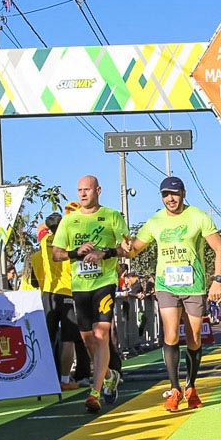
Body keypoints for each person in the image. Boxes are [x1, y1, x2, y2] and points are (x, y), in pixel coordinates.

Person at [124, 176, 221, 411]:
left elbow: (219, 247)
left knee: (195, 337)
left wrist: (217, 281)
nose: (170, 198)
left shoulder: (198, 216)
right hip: (166, 285)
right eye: (165, 194)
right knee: (170, 334)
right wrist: (127, 249)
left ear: (183, 194)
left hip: (194, 286)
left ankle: (191, 386)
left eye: (175, 193)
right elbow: (134, 250)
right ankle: (175, 388)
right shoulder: (156, 221)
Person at [51, 176, 128, 414]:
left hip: (104, 282)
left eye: (87, 190)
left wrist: (104, 253)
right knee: (87, 339)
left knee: (101, 334)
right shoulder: (69, 220)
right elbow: (56, 254)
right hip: (80, 285)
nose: (83, 194)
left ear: (98, 190)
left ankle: (94, 393)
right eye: (79, 190)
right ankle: (109, 376)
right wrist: (76, 252)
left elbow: (128, 248)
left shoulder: (112, 216)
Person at [32, 212, 80, 391]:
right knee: (68, 339)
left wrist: (50, 225)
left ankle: (44, 379)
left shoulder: (45, 242)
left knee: (47, 338)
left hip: (49, 294)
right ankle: (64, 379)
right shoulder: (70, 241)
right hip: (68, 292)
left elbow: (40, 227)